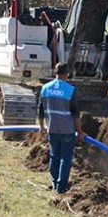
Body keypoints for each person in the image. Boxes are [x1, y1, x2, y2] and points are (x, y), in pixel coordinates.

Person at [38, 62, 85, 194]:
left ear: (55, 72)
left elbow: (40, 110)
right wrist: (80, 132)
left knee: (54, 156)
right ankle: (61, 187)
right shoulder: (70, 90)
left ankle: (54, 182)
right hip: (67, 131)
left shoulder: (45, 88)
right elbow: (75, 114)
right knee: (65, 158)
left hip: (52, 129)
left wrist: (41, 127)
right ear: (67, 74)